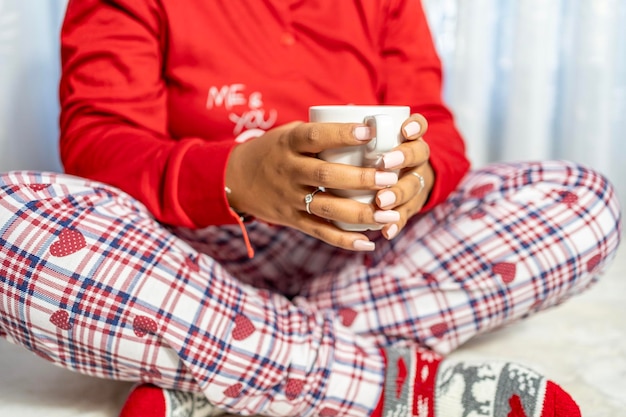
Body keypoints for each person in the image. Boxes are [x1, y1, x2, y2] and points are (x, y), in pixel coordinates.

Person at [0, 0, 621, 416]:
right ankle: (386, 388)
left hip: (363, 256)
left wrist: (420, 177)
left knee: (585, 202)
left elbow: (435, 131)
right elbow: (97, 150)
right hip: (195, 257)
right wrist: (238, 176)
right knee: (9, 221)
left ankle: (221, 373)